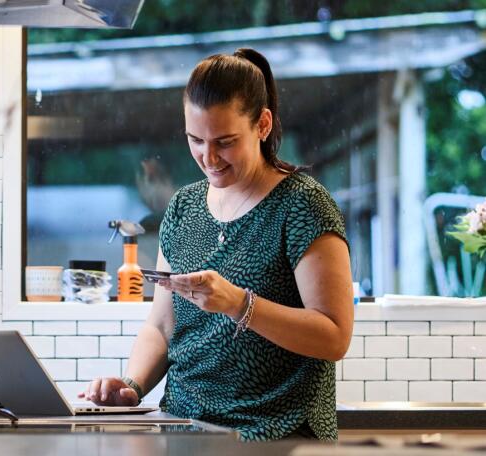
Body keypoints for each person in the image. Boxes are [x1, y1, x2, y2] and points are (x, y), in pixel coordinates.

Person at [78, 48, 354, 441]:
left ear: (262, 124)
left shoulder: (302, 204)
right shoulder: (183, 207)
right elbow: (162, 325)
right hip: (182, 430)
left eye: (225, 141)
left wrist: (239, 303)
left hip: (276, 435)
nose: (208, 157)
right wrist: (131, 386)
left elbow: (334, 336)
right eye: (195, 139)